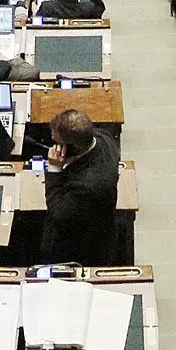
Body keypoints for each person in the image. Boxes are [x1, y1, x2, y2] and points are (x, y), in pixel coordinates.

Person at [40, 107, 121, 265]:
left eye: (57, 143)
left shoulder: (87, 187)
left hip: (80, 250)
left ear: (74, 148)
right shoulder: (104, 138)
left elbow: (57, 214)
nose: (53, 147)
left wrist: (55, 169)